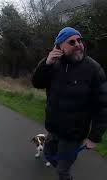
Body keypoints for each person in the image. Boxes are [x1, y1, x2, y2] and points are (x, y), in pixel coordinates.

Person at [31, 27, 107, 180]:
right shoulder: (53, 64)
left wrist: (94, 137)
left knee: (62, 171)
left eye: (79, 40)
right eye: (71, 42)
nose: (78, 44)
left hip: (73, 134)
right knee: (48, 154)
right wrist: (46, 63)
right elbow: (37, 83)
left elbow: (103, 106)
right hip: (53, 128)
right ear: (59, 47)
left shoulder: (93, 69)